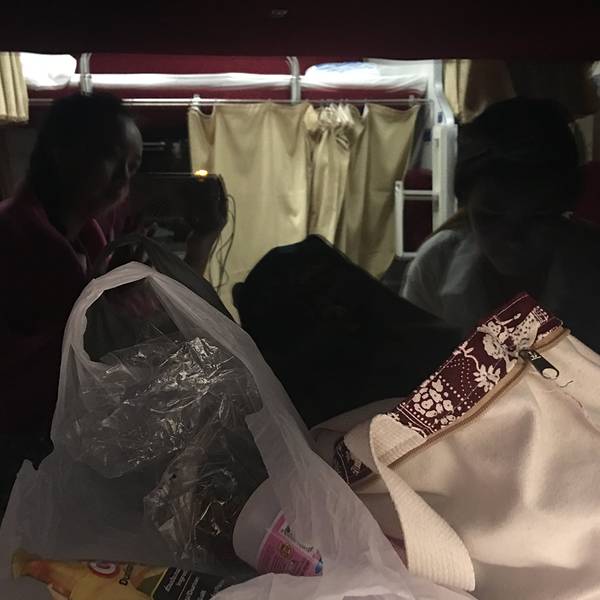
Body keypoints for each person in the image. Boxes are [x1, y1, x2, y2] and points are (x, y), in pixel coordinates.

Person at [0, 93, 143, 508]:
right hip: (15, 447)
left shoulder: (87, 240)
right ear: (63, 151)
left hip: (64, 436)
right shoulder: (10, 236)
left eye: (133, 166)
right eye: (111, 157)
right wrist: (104, 307)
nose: (122, 179)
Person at [402, 97, 600, 350]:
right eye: (490, 217)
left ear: (564, 206)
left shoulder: (592, 268)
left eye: (537, 217)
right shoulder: (437, 265)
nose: (513, 239)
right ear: (466, 204)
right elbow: (412, 363)